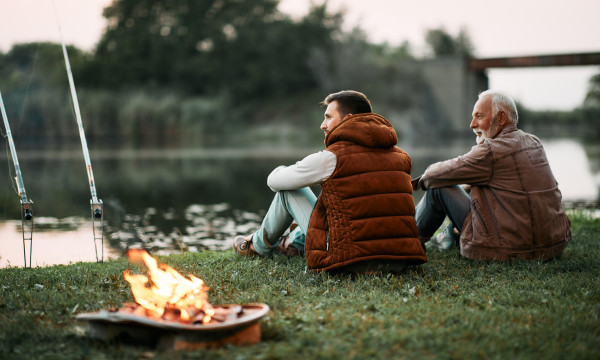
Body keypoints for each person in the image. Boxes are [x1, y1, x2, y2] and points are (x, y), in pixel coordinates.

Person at [233, 90, 427, 272]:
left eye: (328, 117)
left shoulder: (331, 158)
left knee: (289, 191)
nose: (322, 125)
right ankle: (293, 242)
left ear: (348, 120)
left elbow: (274, 182)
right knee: (331, 205)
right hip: (400, 259)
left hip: (351, 260)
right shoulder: (402, 157)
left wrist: (282, 169)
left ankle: (257, 247)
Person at [412, 90, 571, 261]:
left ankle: (408, 241)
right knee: (471, 189)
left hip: (504, 250)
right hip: (552, 247)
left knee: (439, 188)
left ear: (501, 119)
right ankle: (449, 236)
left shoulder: (490, 151)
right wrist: (466, 186)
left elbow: (433, 175)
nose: (472, 124)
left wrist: (414, 183)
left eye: (479, 116)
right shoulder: (534, 142)